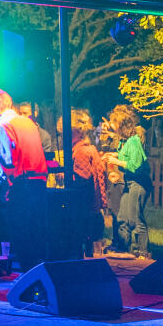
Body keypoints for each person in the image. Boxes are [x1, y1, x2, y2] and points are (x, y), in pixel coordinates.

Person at [0, 87, 48, 268]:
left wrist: (7, 188)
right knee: (36, 231)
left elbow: (8, 161)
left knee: (20, 232)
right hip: (39, 182)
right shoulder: (27, 122)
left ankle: (27, 275)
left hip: (21, 184)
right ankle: (39, 272)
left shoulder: (2, 125)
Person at [103, 104, 152, 260]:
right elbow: (126, 157)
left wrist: (116, 162)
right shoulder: (126, 141)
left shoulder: (134, 141)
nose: (112, 125)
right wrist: (113, 156)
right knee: (122, 217)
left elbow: (136, 165)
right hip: (130, 182)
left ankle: (143, 252)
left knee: (136, 218)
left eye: (114, 122)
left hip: (139, 184)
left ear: (121, 124)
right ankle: (123, 249)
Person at [66, 109, 109, 257]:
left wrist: (64, 177)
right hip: (90, 205)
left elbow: (82, 179)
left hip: (84, 205)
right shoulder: (89, 148)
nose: (66, 135)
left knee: (81, 239)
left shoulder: (81, 152)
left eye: (69, 132)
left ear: (78, 132)